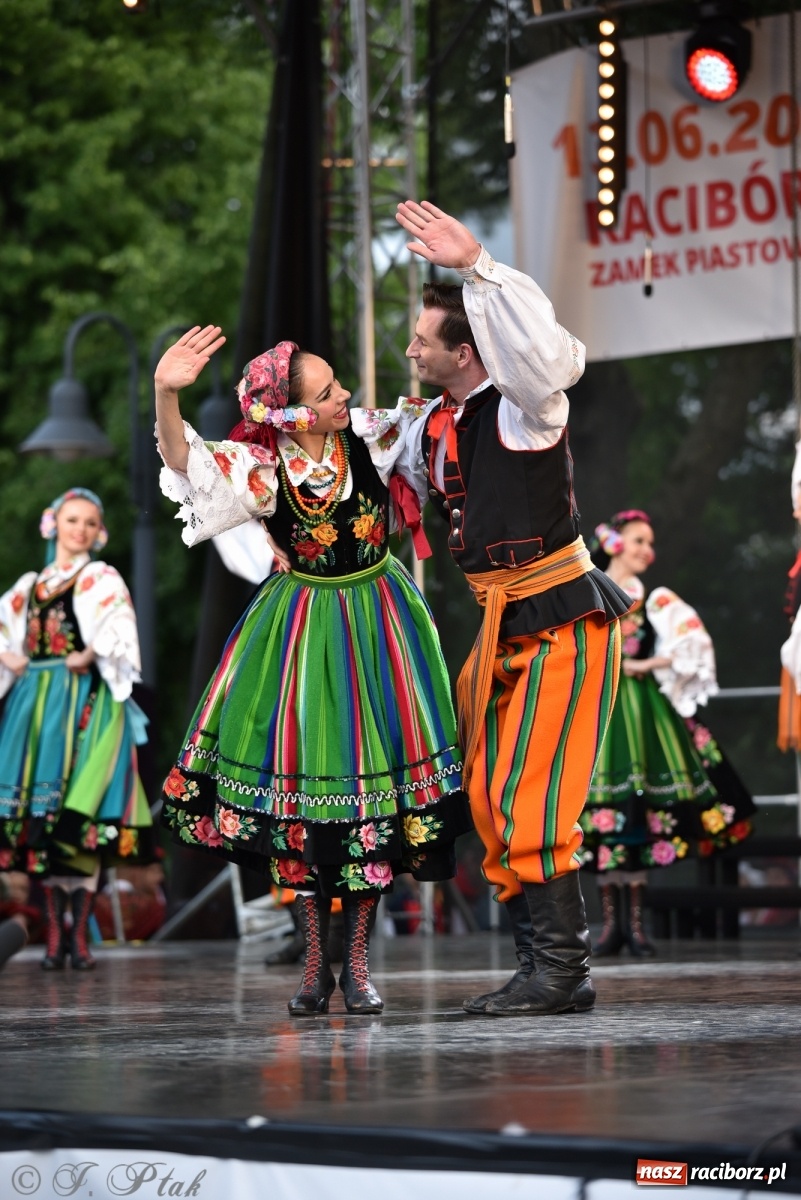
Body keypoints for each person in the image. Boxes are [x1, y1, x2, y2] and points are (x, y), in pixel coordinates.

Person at [154, 331, 471, 1016]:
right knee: (299, 800)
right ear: (291, 414)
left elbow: (448, 411)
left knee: (372, 797)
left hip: (378, 623)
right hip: (299, 631)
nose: (345, 395)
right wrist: (165, 392)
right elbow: (185, 460)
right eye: (327, 392)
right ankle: (311, 968)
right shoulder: (264, 467)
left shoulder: (372, 437)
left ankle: (354, 965)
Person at [392, 200, 631, 1017]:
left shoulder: (527, 410)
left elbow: (543, 359)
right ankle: (544, 967)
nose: (411, 350)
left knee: (533, 794)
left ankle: (560, 970)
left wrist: (477, 269)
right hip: (505, 625)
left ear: (464, 351)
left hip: (561, 617)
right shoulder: (431, 426)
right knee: (491, 795)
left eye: (422, 340)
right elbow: (334, 453)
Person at [583, 510, 756, 954]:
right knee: (604, 812)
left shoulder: (654, 599)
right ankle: (611, 927)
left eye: (650, 542)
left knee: (640, 811)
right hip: (601, 705)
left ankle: (635, 927)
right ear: (615, 542)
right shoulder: (589, 587)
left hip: (642, 709)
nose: (648, 550)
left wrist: (642, 664)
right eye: (639, 540)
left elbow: (689, 647)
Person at [0, 489, 154, 970]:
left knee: (80, 810)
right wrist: (10, 657)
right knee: (44, 815)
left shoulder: (99, 577)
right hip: (37, 705)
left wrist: (88, 654)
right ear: (54, 525)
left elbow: (119, 624)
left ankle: (78, 939)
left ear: (98, 531)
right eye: (72, 520)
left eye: (89, 522)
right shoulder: (31, 584)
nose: (80, 530)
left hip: (84, 701)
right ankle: (55, 939)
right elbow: (4, 626)